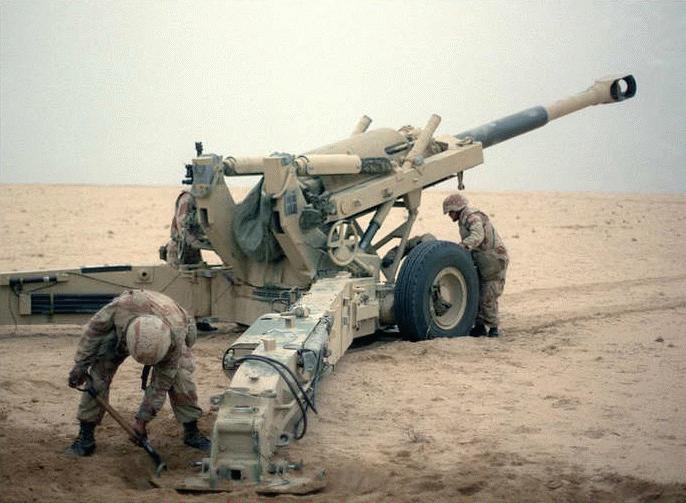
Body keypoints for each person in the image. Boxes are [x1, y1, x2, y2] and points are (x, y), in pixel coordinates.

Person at [66, 289, 211, 457]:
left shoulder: (175, 339)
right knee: (97, 376)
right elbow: (94, 331)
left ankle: (192, 431)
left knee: (180, 377)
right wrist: (81, 364)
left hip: (175, 323)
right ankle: (86, 436)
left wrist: (141, 421)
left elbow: (160, 385)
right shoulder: (121, 307)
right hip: (123, 331)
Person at [443, 193, 509, 337]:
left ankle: (493, 328)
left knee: (488, 295)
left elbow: (478, 236)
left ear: (457, 209)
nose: (449, 215)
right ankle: (480, 326)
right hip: (483, 260)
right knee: (477, 293)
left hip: (493, 260)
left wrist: (463, 246)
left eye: (450, 212)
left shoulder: (472, 217)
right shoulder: (464, 219)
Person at [162, 191, 206, 268]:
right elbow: (182, 224)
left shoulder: (206, 198)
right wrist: (195, 242)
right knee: (177, 274)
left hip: (193, 249)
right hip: (180, 248)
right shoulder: (188, 198)